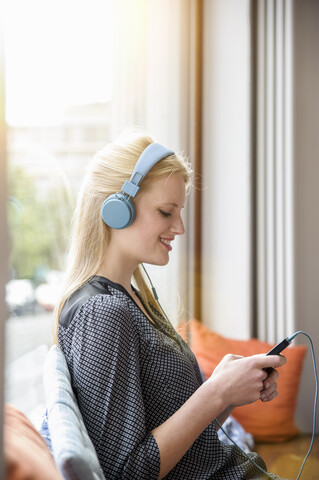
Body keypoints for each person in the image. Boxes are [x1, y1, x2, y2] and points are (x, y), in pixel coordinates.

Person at [52, 131, 286, 479]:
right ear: (117, 209)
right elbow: (128, 472)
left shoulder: (134, 297)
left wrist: (227, 392)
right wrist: (216, 393)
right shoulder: (102, 313)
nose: (179, 227)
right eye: (166, 212)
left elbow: (185, 445)